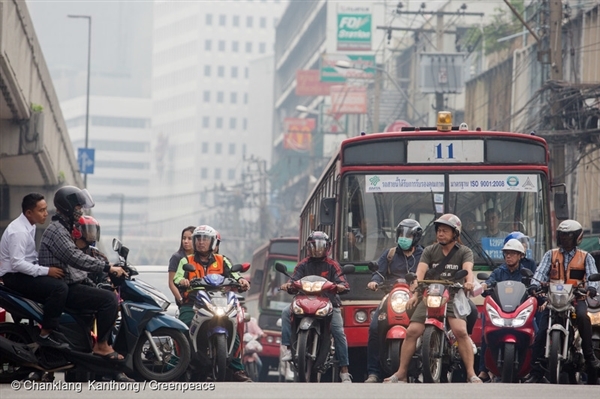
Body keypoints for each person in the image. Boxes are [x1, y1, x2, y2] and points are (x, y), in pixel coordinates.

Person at [384, 213, 482, 383]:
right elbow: (420, 273)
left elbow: (468, 270)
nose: (440, 234)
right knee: (412, 331)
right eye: (438, 231)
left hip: (453, 294)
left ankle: (471, 374)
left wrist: (468, 282)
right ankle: (401, 372)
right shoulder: (429, 250)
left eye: (445, 231)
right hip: (430, 293)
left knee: (461, 331)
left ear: (455, 233)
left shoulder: (464, 252)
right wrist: (415, 293)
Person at [38, 186, 127, 362]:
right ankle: (101, 345)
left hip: (70, 283)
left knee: (105, 296)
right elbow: (75, 258)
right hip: (65, 287)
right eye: (78, 208)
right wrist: (107, 267)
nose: (80, 212)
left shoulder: (65, 228)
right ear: (68, 208)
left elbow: (75, 265)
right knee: (108, 300)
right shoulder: (57, 230)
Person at [173, 224, 252, 382]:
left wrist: (241, 280)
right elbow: (177, 277)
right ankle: (179, 366)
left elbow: (235, 274)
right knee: (183, 327)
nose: (201, 242)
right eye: (198, 239)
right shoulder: (185, 261)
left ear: (213, 242)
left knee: (235, 326)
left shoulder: (222, 260)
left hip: (219, 300)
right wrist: (182, 281)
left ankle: (236, 368)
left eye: (205, 239)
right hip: (193, 302)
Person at [525, 219, 600, 384]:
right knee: (541, 332)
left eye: (569, 236)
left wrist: (593, 288)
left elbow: (593, 276)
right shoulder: (550, 255)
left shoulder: (585, 257)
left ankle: (589, 355)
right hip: (553, 301)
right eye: (562, 235)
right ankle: (536, 372)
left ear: (577, 237)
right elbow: (540, 273)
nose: (565, 238)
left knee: (582, 317)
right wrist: (534, 286)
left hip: (575, 300)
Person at [279, 231, 353, 383]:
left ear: (327, 247)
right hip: (304, 301)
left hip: (329, 303)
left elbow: (343, 283)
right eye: (314, 245)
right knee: (286, 312)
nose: (317, 249)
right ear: (309, 247)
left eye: (321, 246)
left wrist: (340, 287)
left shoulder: (333, 265)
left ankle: (344, 371)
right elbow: (294, 281)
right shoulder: (303, 265)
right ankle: (288, 348)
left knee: (338, 332)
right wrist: (288, 286)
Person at [0, 193, 69, 349]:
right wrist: (47, 271)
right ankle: (46, 333)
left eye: (46, 209)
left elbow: (30, 258)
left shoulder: (28, 226)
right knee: (60, 288)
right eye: (42, 210)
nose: (46, 213)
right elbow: (17, 263)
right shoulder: (19, 231)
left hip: (21, 274)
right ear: (29, 212)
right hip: (15, 277)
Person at [364, 219, 424, 383]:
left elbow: (427, 274)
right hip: (392, 295)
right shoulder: (390, 254)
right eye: (401, 234)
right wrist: (375, 281)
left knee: (426, 327)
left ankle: (423, 368)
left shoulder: (423, 255)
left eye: (408, 235)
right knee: (375, 327)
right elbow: (379, 272)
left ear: (416, 237)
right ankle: (374, 372)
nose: (403, 238)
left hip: (416, 297)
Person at [477, 238, 528, 382]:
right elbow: (489, 282)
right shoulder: (499, 272)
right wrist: (484, 286)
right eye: (506, 254)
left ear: (520, 256)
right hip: (501, 311)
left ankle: (535, 368)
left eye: (512, 253)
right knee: (486, 333)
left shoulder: (525, 273)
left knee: (536, 332)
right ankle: (483, 370)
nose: (509, 256)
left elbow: (534, 286)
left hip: (520, 312)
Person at [168, 226, 195, 307]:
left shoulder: (199, 258)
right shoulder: (177, 257)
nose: (186, 241)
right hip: (185, 302)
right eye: (184, 238)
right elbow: (171, 282)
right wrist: (180, 300)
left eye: (190, 239)